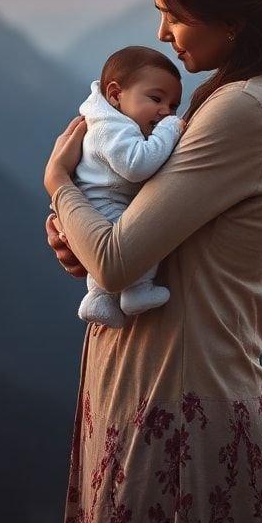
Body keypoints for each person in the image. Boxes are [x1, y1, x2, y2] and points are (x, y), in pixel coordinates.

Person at [43, 0, 262, 523]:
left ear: (229, 16)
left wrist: (59, 182)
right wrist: (74, 234)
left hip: (177, 417)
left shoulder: (242, 109)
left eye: (173, 14)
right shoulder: (241, 99)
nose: (162, 34)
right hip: (159, 397)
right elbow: (139, 235)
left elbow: (116, 261)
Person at [73, 46, 184, 329]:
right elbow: (137, 165)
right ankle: (138, 289)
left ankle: (99, 298)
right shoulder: (113, 128)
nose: (165, 112)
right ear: (115, 95)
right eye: (156, 98)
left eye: (173, 107)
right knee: (141, 234)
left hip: (96, 205)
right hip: (105, 205)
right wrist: (170, 129)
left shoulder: (109, 122)